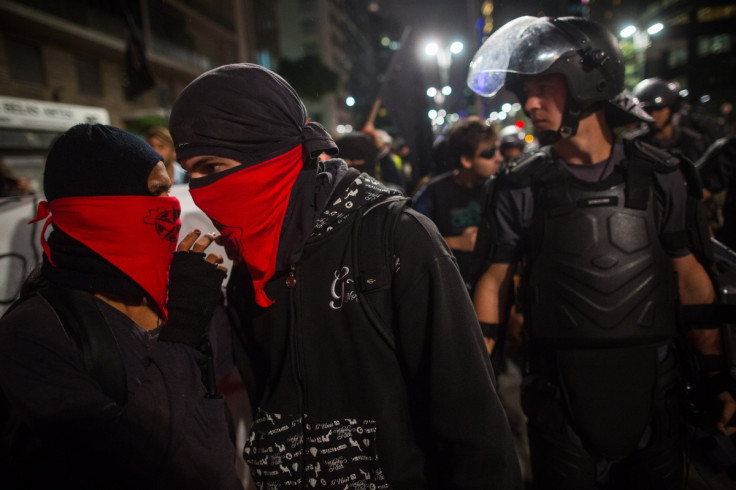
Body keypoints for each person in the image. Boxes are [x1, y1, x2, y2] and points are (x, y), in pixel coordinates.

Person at [169, 63, 521, 489]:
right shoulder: (247, 271)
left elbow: (472, 423)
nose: (202, 190)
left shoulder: (393, 236)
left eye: (213, 167)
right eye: (192, 173)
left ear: (269, 152)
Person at [467, 16, 736, 489]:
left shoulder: (662, 175)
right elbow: (493, 282)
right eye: (525, 90)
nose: (529, 103)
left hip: (657, 390)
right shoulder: (518, 186)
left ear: (590, 83)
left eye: (545, 87)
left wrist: (717, 377)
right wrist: (474, 382)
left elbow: (693, 279)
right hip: (559, 393)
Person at [0, 124, 243, 490]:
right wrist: (183, 326)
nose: (171, 206)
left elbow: (223, 367)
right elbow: (124, 457)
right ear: (99, 208)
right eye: (156, 192)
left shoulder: (168, 291)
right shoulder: (35, 332)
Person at [413, 117, 503, 289]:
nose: (498, 158)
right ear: (466, 160)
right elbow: (411, 239)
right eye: (489, 153)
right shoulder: (434, 192)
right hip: (449, 285)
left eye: (499, 150)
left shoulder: (502, 188)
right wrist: (457, 242)